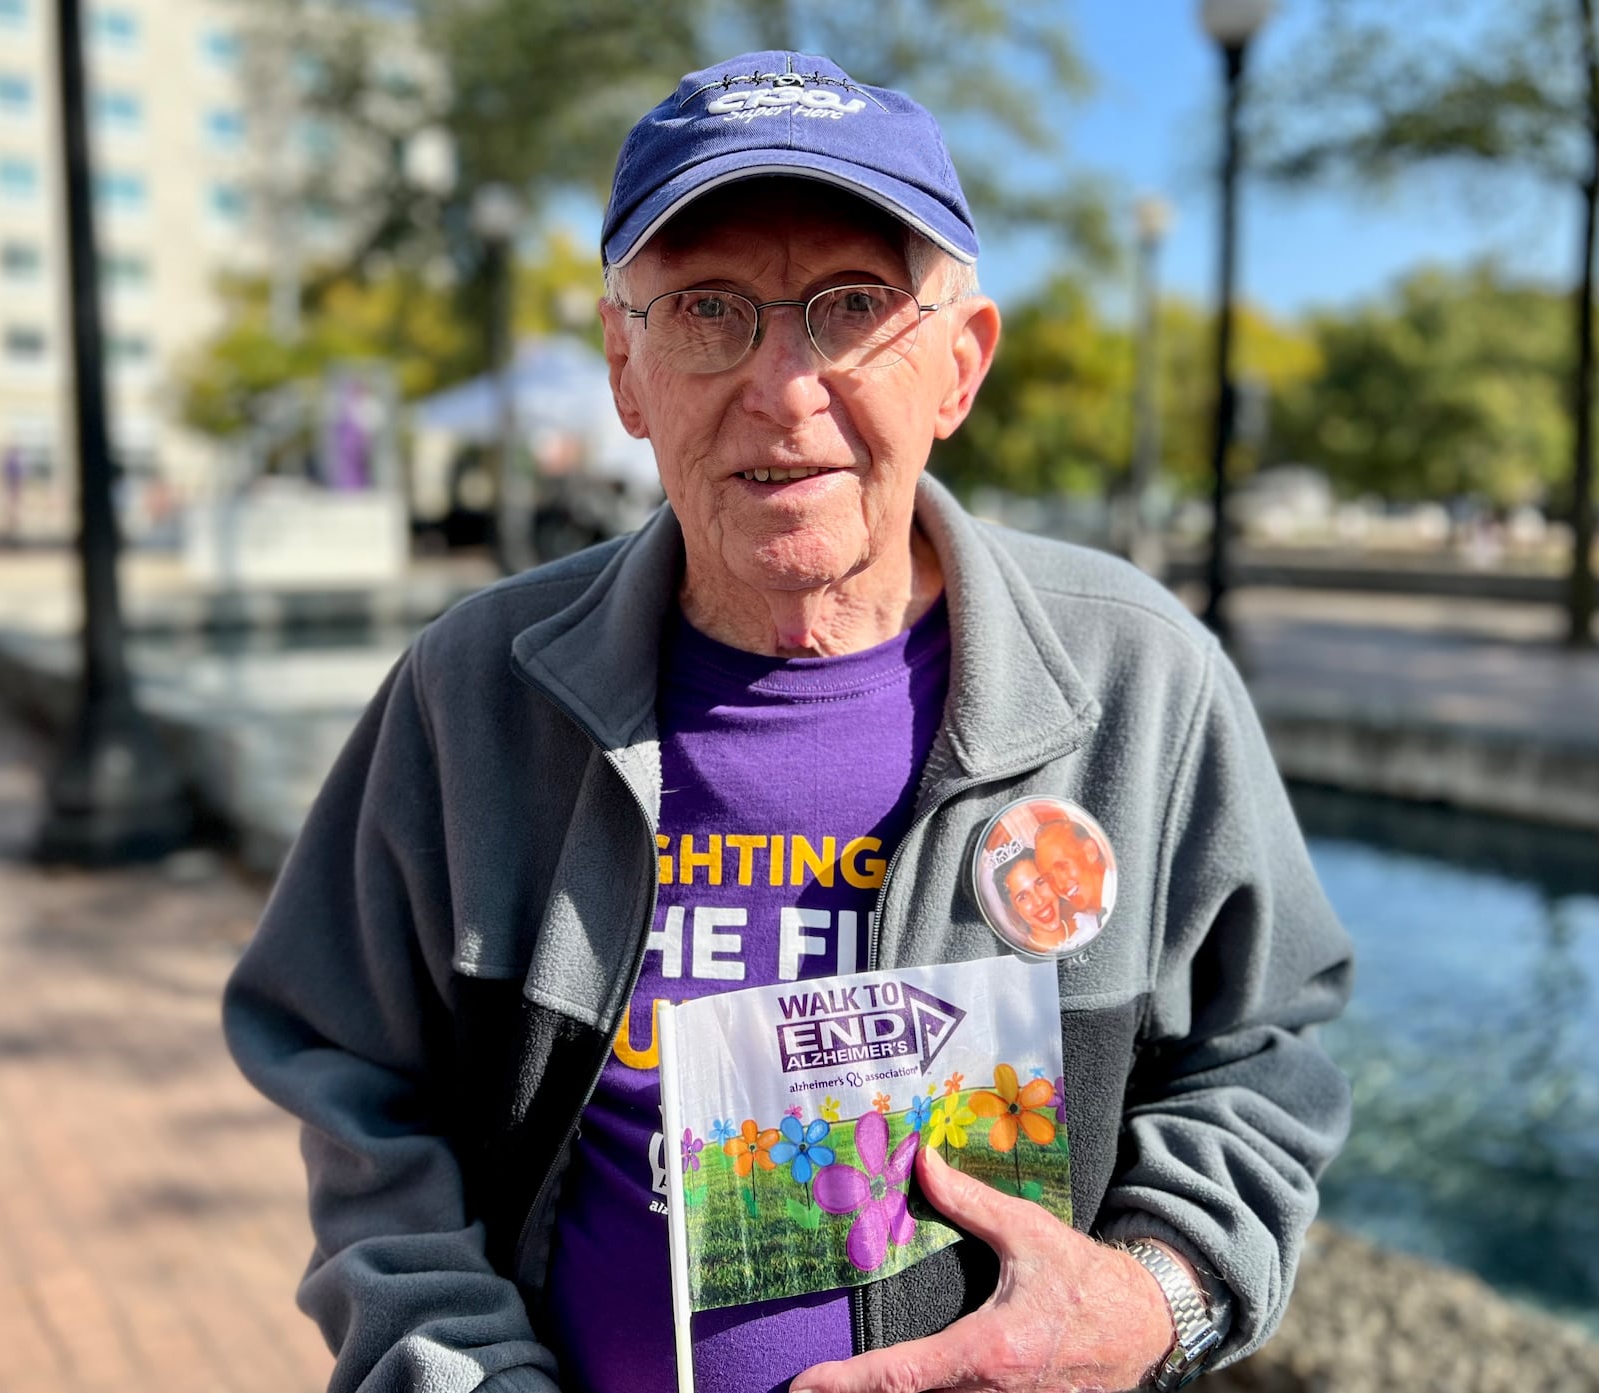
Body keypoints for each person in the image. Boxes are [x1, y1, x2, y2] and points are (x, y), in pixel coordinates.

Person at [223, 49, 1353, 1393]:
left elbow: (1269, 1050)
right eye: (707, 309)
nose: (783, 385)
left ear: (960, 363)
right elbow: (350, 1077)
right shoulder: (475, 695)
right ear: (625, 368)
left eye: (851, 304)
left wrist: (1159, 1294)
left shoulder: (1139, 683)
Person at [1033, 817, 1109, 941]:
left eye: (1062, 867)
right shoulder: (1081, 936)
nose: (1059, 884)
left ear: (1090, 852)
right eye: (1049, 878)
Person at [994, 851, 1070, 953]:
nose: (1039, 901)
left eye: (1040, 882)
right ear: (1013, 909)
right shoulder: (1023, 960)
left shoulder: (1089, 923)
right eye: (1023, 897)